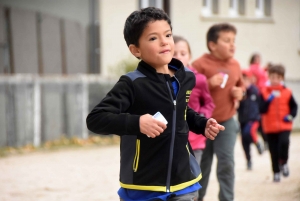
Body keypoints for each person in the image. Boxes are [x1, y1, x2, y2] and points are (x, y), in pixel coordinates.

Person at [86, 7, 225, 201]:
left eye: (168, 35)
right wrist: (137, 123)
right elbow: (95, 119)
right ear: (136, 50)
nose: (164, 42)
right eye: (153, 38)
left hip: (184, 180)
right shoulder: (132, 83)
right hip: (143, 184)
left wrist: (202, 124)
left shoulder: (186, 78)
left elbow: (181, 111)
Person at [192, 23, 245, 201]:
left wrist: (241, 93)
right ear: (212, 45)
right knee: (202, 165)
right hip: (203, 123)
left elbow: (241, 86)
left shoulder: (236, 65)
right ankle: (198, 198)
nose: (232, 45)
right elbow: (188, 92)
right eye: (227, 40)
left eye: (234, 41)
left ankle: (227, 198)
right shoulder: (199, 64)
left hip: (227, 122)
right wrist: (206, 83)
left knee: (226, 164)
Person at [173, 35, 215, 200]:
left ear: (190, 56)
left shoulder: (199, 79)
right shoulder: (163, 80)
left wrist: (202, 118)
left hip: (195, 139)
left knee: (192, 175)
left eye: (183, 53)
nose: (179, 56)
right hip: (174, 139)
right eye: (175, 52)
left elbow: (209, 103)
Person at [259, 64, 298, 182]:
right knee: (273, 150)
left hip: (284, 125)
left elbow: (294, 107)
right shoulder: (264, 92)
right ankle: (276, 172)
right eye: (272, 77)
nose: (274, 80)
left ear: (282, 78)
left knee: (284, 142)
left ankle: (284, 162)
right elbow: (261, 109)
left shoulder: (287, 92)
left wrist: (291, 116)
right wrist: (268, 101)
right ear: (269, 77)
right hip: (269, 127)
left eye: (277, 77)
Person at [237, 69, 263, 171]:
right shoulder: (240, 92)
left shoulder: (255, 91)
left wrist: (259, 116)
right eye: (243, 80)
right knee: (244, 141)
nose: (245, 82)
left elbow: (261, 104)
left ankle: (258, 144)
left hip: (253, 118)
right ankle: (248, 160)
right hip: (243, 120)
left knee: (249, 132)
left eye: (246, 80)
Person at [248, 53, 269, 148]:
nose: (258, 60)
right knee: (259, 119)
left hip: (263, 93)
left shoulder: (259, 68)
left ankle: (265, 141)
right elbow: (255, 77)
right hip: (259, 93)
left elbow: (261, 76)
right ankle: (262, 141)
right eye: (256, 58)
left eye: (259, 58)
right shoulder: (253, 68)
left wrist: (265, 69)